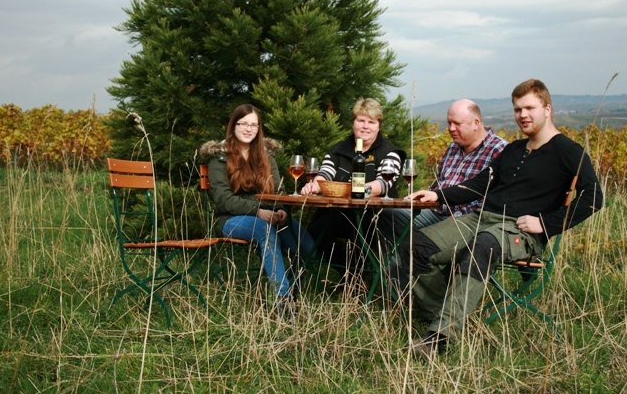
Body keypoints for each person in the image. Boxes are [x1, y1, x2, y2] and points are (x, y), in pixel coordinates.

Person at [398, 79, 604, 357]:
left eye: (529, 108)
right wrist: (439, 196)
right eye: (518, 109)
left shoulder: (568, 151)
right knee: (415, 246)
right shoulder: (513, 150)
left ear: (547, 108)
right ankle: (444, 315)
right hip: (479, 218)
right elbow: (479, 184)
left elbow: (594, 198)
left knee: (482, 246)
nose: (523, 115)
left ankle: (438, 339)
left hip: (518, 230)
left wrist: (545, 224)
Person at [200, 104, 315, 307]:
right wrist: (258, 211)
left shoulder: (266, 157)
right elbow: (224, 200)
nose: (248, 129)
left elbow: (278, 192)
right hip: (231, 220)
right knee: (265, 230)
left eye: (254, 125)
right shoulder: (219, 158)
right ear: (233, 126)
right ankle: (284, 300)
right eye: (243, 123)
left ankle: (297, 288)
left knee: (308, 245)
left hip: (270, 216)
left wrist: (281, 210)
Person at [302, 97, 406, 271]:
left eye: (371, 122)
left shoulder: (390, 152)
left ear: (378, 125)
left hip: (375, 216)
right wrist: (314, 185)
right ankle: (349, 275)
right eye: (361, 120)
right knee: (314, 233)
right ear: (353, 123)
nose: (365, 126)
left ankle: (358, 277)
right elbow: (325, 174)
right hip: (338, 212)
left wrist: (357, 191)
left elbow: (384, 183)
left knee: (356, 233)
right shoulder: (338, 149)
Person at [390, 99, 507, 233]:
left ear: (476, 123)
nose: (451, 129)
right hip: (435, 213)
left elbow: (494, 199)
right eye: (449, 123)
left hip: (466, 222)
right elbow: (439, 183)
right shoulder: (453, 147)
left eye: (457, 123)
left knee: (418, 240)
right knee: (387, 215)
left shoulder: (499, 150)